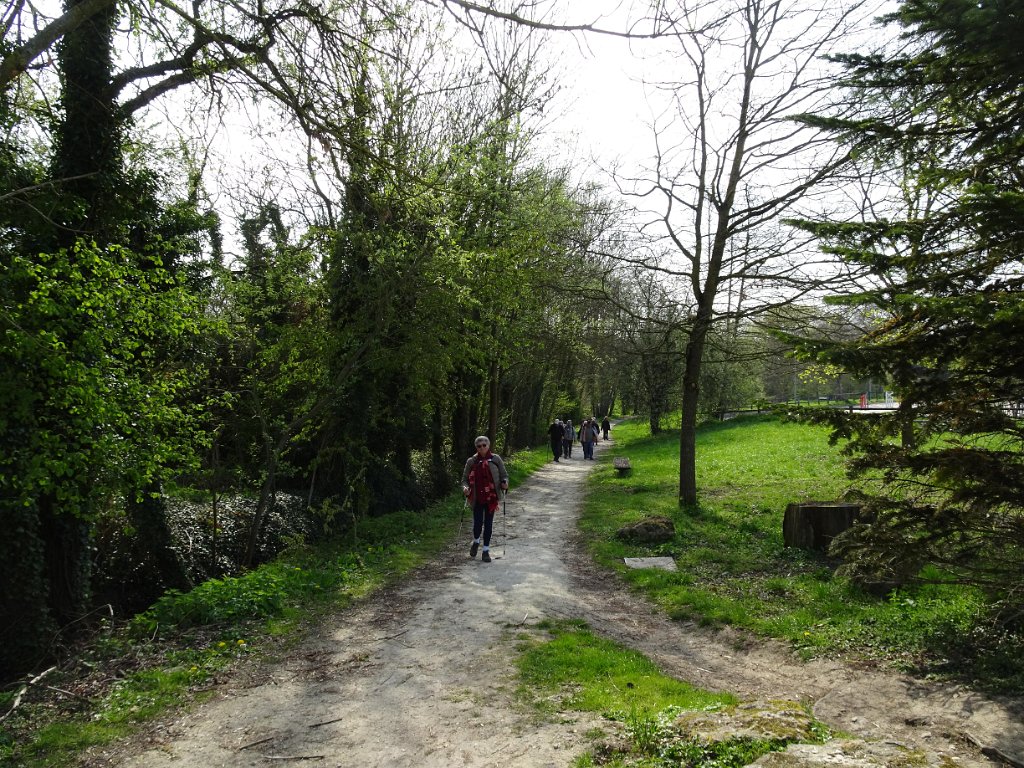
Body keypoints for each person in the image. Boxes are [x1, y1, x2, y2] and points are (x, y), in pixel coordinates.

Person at [462, 436, 509, 563]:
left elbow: (504, 475)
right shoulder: (471, 461)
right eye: (479, 446)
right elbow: (464, 479)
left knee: (488, 524)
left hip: (491, 498)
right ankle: (476, 541)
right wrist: (465, 488)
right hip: (477, 497)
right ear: (476, 447)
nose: (482, 448)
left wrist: (505, 483)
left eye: (484, 445)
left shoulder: (496, 459)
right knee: (477, 524)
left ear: (488, 446)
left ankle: (486, 551)